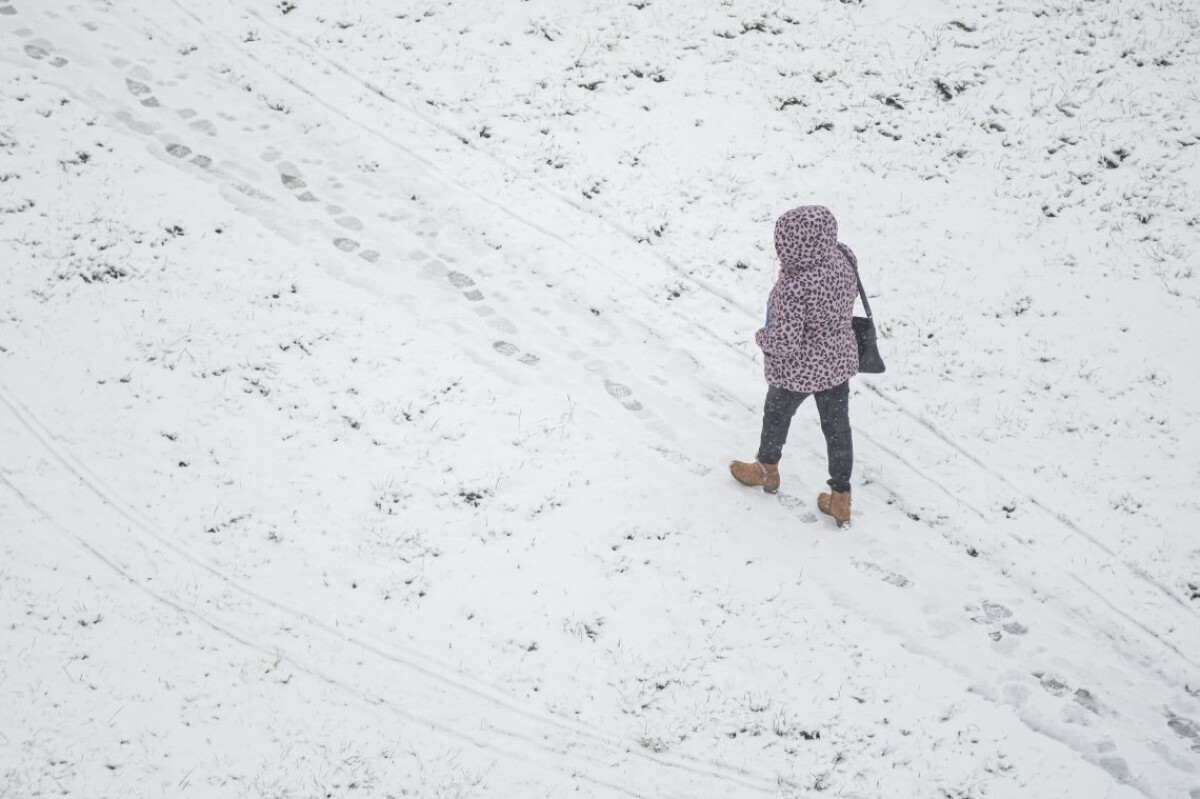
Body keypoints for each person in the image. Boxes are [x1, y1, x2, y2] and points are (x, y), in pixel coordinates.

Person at [730, 205, 858, 527]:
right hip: (837, 363)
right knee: (837, 429)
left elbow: (784, 341)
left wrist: (762, 337)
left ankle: (766, 469)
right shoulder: (844, 258)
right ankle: (841, 497)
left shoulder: (793, 287)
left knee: (776, 416)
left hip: (797, 371)